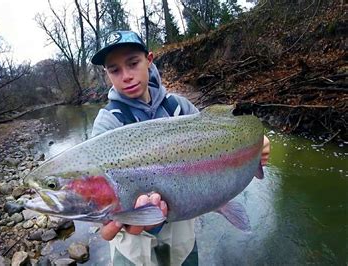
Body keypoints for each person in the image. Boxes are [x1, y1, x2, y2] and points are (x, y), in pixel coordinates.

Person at [90, 30, 270, 266]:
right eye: (115, 70)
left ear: (149, 60)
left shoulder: (179, 107)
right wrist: (102, 226)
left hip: (183, 248)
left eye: (133, 63)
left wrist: (257, 144)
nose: (126, 76)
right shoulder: (107, 123)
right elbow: (99, 207)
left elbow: (219, 147)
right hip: (133, 255)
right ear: (107, 74)